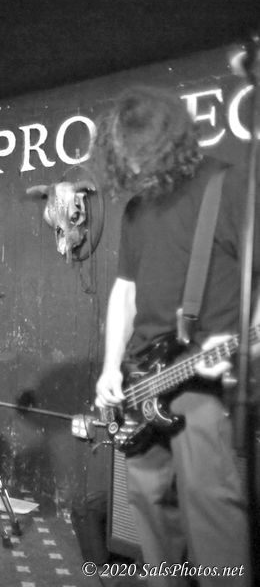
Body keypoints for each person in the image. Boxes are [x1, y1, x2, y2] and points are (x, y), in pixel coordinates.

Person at [92, 85, 254, 586]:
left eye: (139, 154)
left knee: (212, 518)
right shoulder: (136, 210)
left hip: (207, 384)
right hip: (142, 380)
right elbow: (125, 293)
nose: (133, 166)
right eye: (124, 157)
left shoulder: (230, 187)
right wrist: (110, 369)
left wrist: (238, 345)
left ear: (166, 142)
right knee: (150, 513)